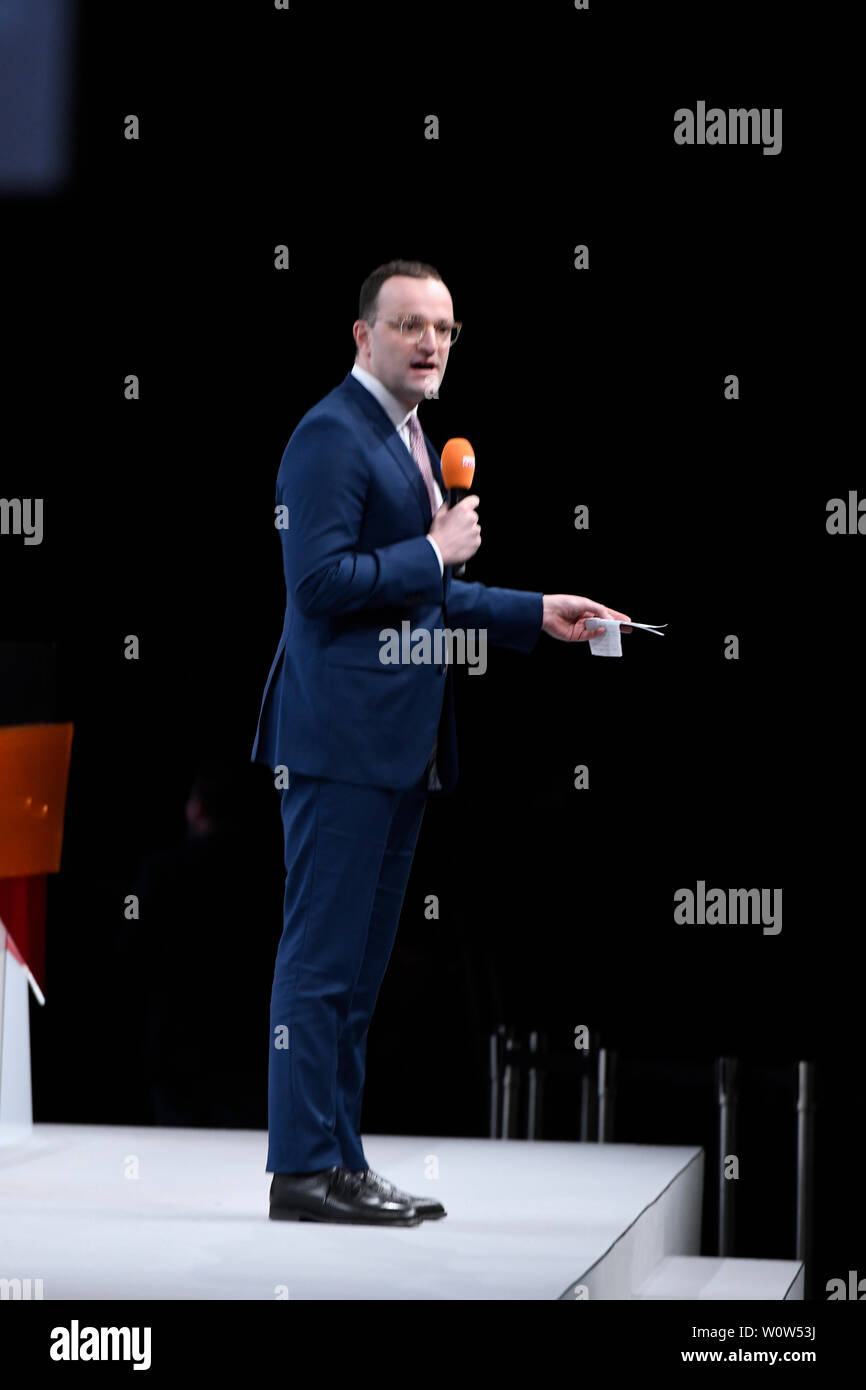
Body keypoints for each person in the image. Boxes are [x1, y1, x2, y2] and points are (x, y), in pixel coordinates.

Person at [251, 259, 631, 1226]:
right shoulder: (330, 436)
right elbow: (321, 585)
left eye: (445, 329)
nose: (429, 343)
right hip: (339, 741)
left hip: (396, 745)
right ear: (362, 336)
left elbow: (425, 595)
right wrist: (432, 550)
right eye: (410, 325)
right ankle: (301, 1172)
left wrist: (535, 611)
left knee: (361, 973)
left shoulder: (407, 437)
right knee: (320, 963)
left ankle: (341, 1161)